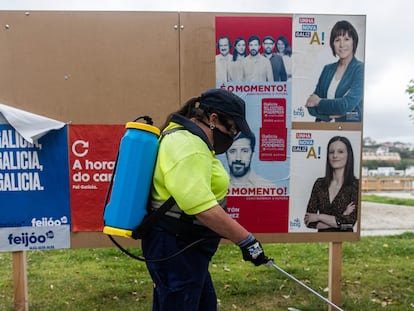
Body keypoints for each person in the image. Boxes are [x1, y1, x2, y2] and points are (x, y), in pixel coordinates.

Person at [142, 88, 269, 310]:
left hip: (183, 249)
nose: (233, 136)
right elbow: (202, 207)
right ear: (213, 119)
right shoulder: (189, 146)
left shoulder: (189, 140)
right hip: (176, 249)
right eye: (233, 128)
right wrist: (246, 241)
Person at [305, 20, 364, 122]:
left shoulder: (360, 69)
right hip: (322, 129)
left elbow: (345, 105)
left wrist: (319, 102)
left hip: (348, 130)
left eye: (346, 39)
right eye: (337, 40)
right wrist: (333, 115)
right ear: (333, 44)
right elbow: (311, 106)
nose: (342, 45)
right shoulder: (327, 69)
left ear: (353, 41)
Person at [304, 136, 358, 232]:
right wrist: (342, 217)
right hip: (321, 242)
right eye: (331, 152)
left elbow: (350, 223)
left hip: (345, 241)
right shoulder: (319, 184)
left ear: (348, 155)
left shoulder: (355, 185)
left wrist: (319, 217)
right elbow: (309, 221)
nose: (335, 156)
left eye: (340, 152)